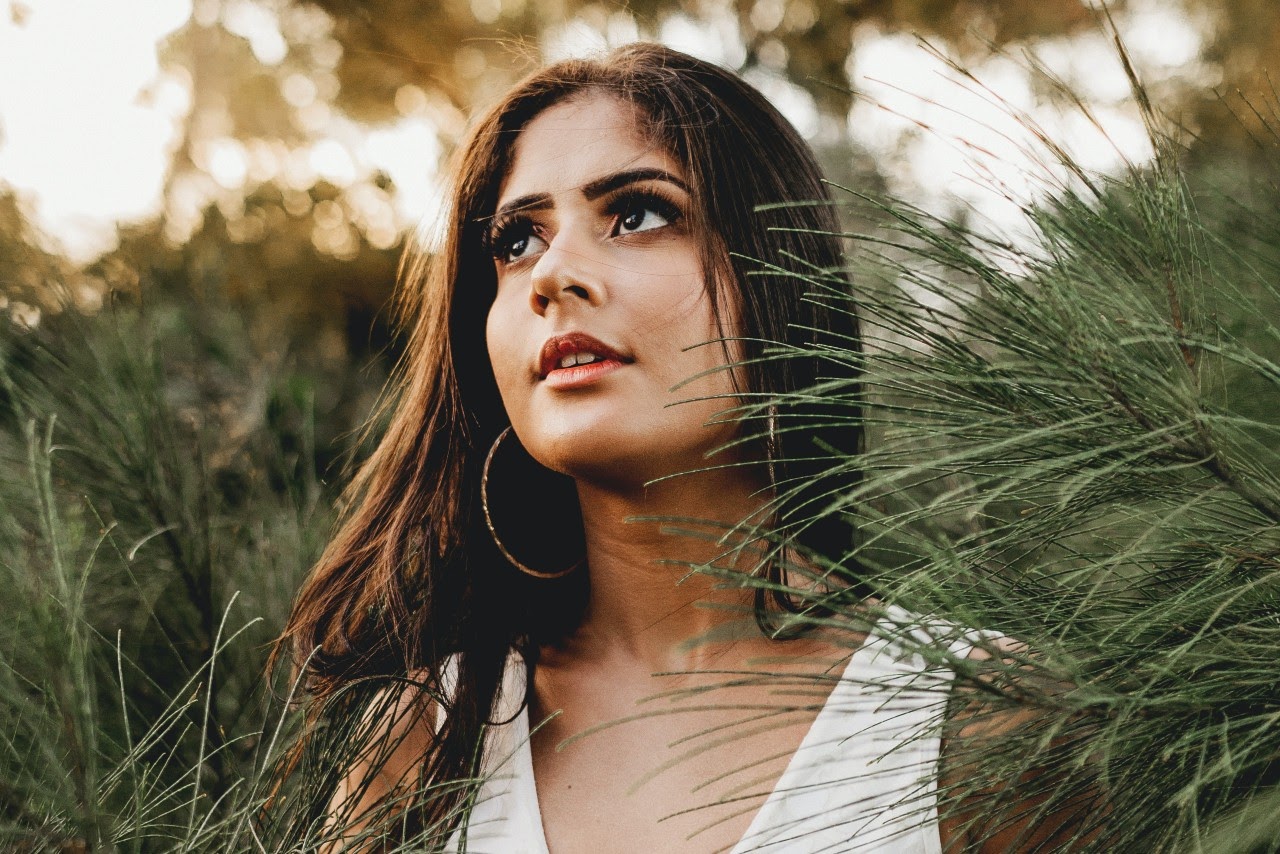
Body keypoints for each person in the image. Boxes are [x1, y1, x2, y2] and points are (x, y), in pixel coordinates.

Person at [278, 42, 1078, 853]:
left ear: (780, 275)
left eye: (637, 214)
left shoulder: (985, 720)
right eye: (517, 240)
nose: (550, 274)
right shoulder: (424, 736)